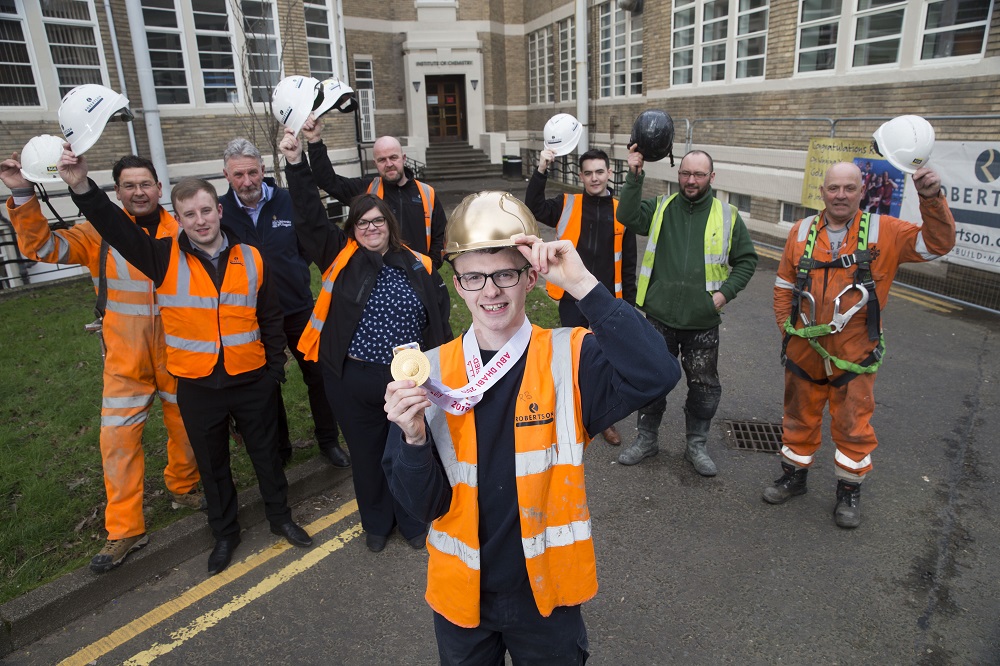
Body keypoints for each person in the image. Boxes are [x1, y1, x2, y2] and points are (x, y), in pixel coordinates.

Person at [382, 190, 679, 664]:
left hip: (547, 595)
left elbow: (658, 372)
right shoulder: (429, 375)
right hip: (463, 598)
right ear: (457, 284)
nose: (490, 291)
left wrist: (583, 285)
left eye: (505, 274)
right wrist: (413, 438)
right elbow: (421, 507)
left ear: (530, 277)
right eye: (474, 277)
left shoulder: (571, 356)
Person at [58, 151, 313, 576]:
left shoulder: (251, 257)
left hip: (251, 379)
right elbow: (115, 227)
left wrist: (272, 370)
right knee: (212, 466)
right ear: (178, 217)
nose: (199, 220)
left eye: (206, 210)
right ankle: (225, 534)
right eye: (188, 214)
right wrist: (82, 187)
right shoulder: (160, 256)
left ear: (219, 209)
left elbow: (269, 317)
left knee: (266, 456)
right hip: (196, 385)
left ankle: (281, 518)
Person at [1, 152, 204, 574]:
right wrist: (22, 192)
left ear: (159, 188)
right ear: (117, 192)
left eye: (145, 184)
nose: (138, 192)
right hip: (125, 358)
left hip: (177, 350)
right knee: (118, 442)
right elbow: (42, 247)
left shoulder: (181, 227)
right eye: (128, 186)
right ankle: (125, 528)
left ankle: (183, 487)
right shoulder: (99, 233)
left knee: (187, 427)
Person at [278, 129, 452, 553]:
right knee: (368, 455)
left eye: (377, 221)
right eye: (362, 223)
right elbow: (309, 217)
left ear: (388, 225)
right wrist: (297, 164)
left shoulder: (418, 264)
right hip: (352, 377)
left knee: (411, 453)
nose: (371, 228)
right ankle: (377, 523)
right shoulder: (340, 257)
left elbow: (439, 319)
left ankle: (413, 521)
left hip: (408, 380)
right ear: (353, 230)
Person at [767, 162, 955, 528]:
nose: (840, 195)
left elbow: (938, 244)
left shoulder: (885, 232)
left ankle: (848, 491)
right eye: (833, 188)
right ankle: (794, 476)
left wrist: (931, 198)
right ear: (822, 192)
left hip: (854, 356)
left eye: (849, 188)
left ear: (861, 192)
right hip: (803, 352)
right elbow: (784, 286)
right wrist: (787, 333)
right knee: (797, 419)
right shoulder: (801, 230)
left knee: (853, 426)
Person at [615, 148, 759, 475]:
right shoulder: (661, 207)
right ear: (678, 174)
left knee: (704, 386)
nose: (691, 180)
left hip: (702, 321)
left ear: (711, 177)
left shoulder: (727, 215)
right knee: (652, 380)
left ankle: (696, 445)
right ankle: (647, 439)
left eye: (698, 174)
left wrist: (724, 295)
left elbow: (747, 260)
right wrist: (634, 175)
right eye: (685, 173)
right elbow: (626, 215)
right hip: (659, 318)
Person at [219, 138, 349, 469]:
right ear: (226, 175)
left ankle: (328, 440)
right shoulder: (221, 212)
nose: (247, 182)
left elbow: (308, 245)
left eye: (252, 173)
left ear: (263, 170)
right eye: (238, 175)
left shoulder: (288, 201)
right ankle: (280, 448)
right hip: (250, 316)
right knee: (266, 384)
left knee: (319, 374)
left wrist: (290, 270)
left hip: (297, 307)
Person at [524, 147, 638, 446]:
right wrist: (542, 167)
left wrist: (631, 303)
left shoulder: (620, 210)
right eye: (588, 173)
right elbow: (533, 205)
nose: (594, 178)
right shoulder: (567, 203)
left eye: (600, 171)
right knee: (572, 358)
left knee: (606, 361)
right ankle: (570, 414)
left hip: (607, 300)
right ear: (581, 176)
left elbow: (628, 263)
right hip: (572, 299)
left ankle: (605, 420)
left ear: (609, 173)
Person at [299, 116, 447, 267]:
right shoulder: (367, 190)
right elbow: (327, 181)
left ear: (403, 158)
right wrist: (314, 140)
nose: (389, 164)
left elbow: (440, 236)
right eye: (382, 160)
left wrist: (431, 266)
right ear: (375, 163)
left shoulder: (427, 193)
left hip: (420, 276)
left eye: (393, 157)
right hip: (379, 278)